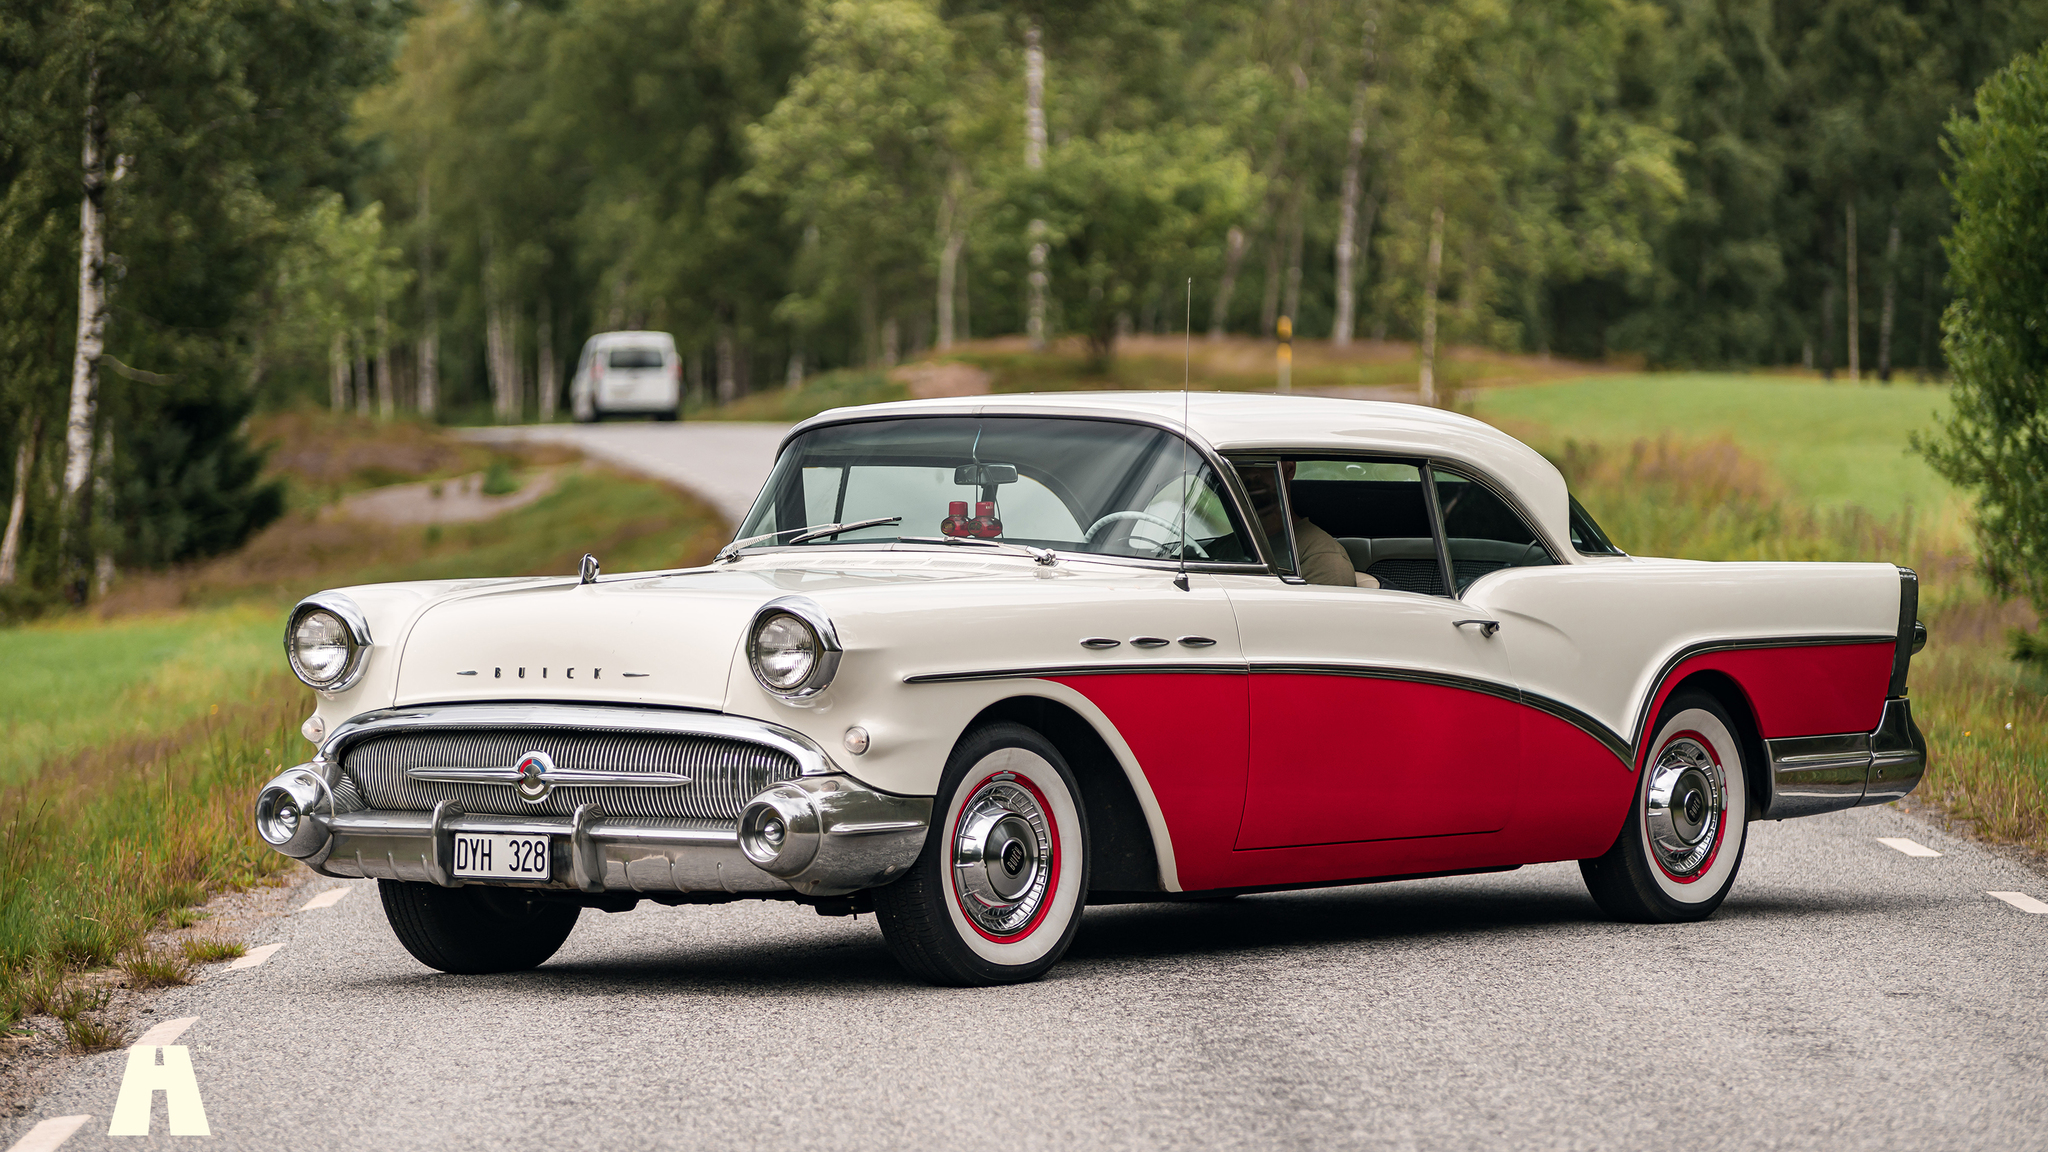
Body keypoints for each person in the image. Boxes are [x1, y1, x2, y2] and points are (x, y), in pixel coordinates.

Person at [1239, 462, 1378, 588]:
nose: (1251, 474)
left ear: (1290, 469)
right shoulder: (1222, 548)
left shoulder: (1321, 556)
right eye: (1241, 463)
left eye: (1264, 463)